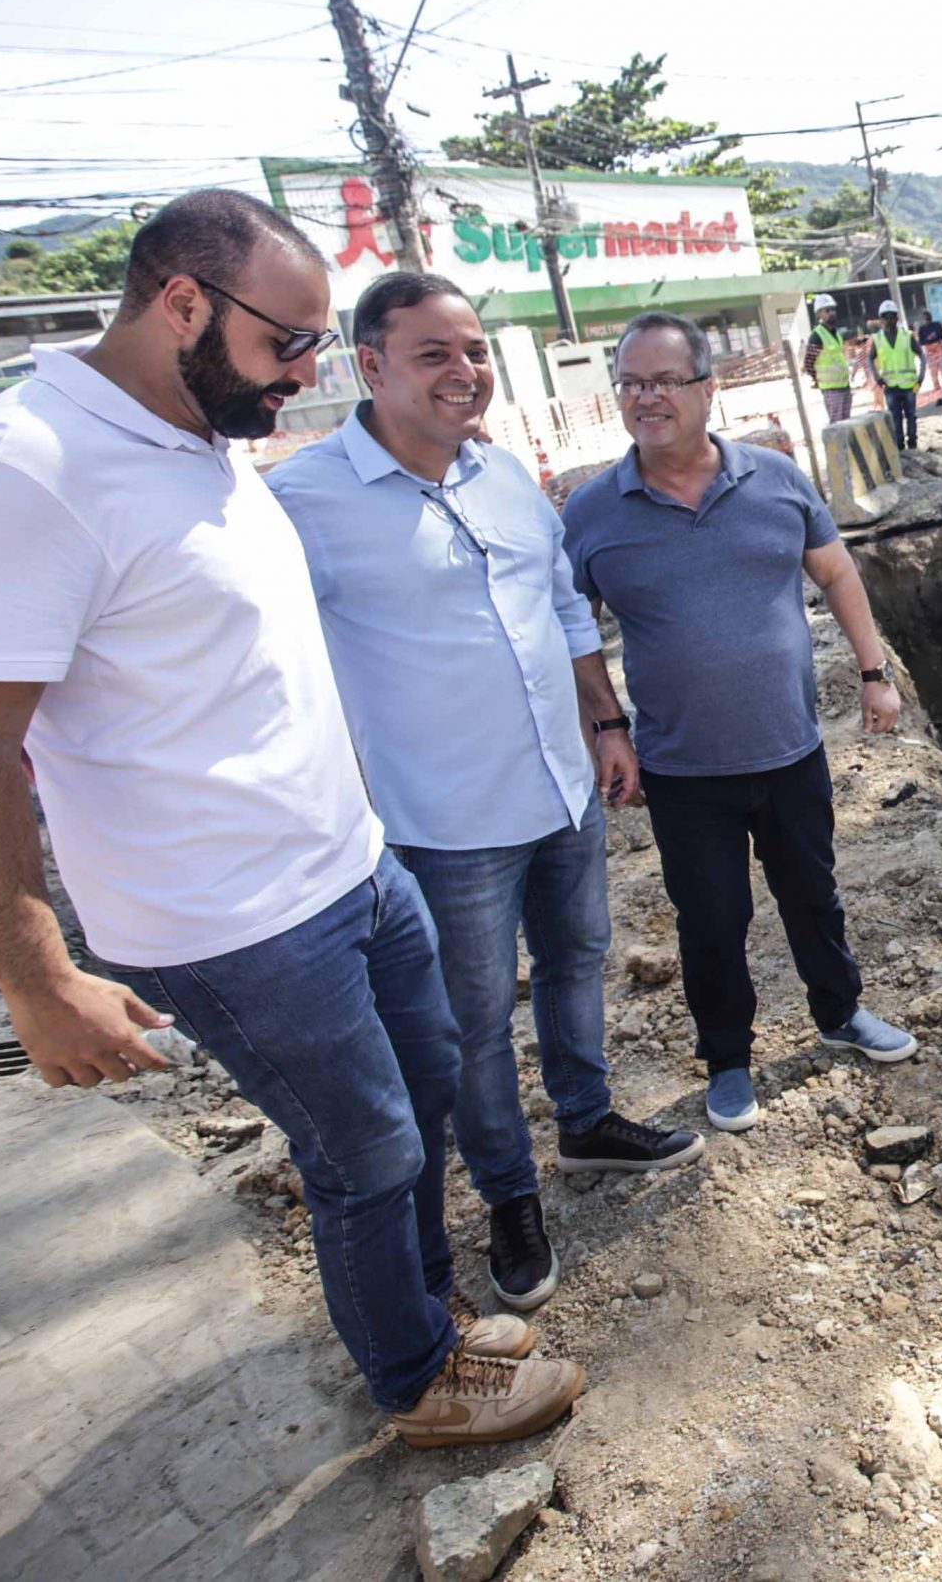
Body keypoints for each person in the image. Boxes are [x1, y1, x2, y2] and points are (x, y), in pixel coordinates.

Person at [0, 188, 583, 1447]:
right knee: (366, 1147)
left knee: (425, 1086)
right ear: (181, 306)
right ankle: (417, 1379)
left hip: (349, 868)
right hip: (227, 918)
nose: (306, 377)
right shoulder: (27, 471)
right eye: (291, 344)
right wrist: (35, 974)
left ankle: (426, 1311)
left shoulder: (192, 435)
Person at [268, 272, 702, 1317]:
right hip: (444, 823)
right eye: (433, 354)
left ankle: (588, 1120)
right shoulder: (303, 504)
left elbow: (560, 609)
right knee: (468, 1024)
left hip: (561, 789)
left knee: (577, 961)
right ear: (366, 365)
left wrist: (604, 724)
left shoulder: (506, 477)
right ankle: (510, 1195)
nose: (463, 372)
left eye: (473, 352)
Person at [562, 313, 921, 1135]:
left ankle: (841, 1012)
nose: (645, 397)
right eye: (631, 382)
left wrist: (876, 672)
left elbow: (836, 572)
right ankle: (727, 1058)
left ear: (706, 388)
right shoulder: (592, 513)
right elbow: (573, 627)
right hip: (683, 769)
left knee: (813, 895)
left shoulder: (776, 479)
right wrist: (608, 725)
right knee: (712, 920)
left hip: (790, 750)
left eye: (664, 381)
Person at [869, 301, 923, 452]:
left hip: (909, 386)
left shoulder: (907, 336)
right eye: (885, 317)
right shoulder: (878, 339)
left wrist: (921, 376)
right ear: (881, 320)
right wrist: (876, 376)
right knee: (896, 418)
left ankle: (912, 444)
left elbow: (921, 355)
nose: (888, 320)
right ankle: (900, 446)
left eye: (891, 317)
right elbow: (870, 358)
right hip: (890, 387)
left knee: (911, 416)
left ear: (897, 318)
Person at [802, 293, 855, 424]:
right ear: (819, 314)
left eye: (833, 309)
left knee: (847, 423)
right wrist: (818, 379)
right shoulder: (817, 336)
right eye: (827, 310)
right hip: (831, 389)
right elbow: (809, 363)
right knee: (837, 424)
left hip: (844, 385)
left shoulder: (836, 333)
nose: (831, 313)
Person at [914, 308, 942, 401]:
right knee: (934, 376)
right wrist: (928, 339)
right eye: (925, 319)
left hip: (939, 350)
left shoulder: (937, 326)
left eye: (928, 318)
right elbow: (920, 342)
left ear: (931, 318)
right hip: (929, 353)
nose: (927, 321)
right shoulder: (922, 329)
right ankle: (939, 396)